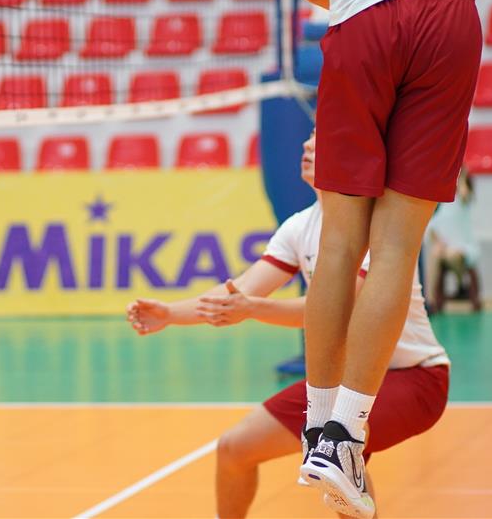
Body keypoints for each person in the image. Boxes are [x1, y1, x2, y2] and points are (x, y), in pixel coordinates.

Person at [263, 0, 485, 515]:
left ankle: (318, 429)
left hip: (360, 25)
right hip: (447, 12)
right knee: (397, 245)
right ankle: (345, 439)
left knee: (339, 235)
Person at [126, 132, 449, 518]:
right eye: (307, 141)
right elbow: (240, 291)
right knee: (234, 449)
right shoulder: (300, 226)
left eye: (319, 142)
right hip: (340, 382)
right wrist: (170, 314)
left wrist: (252, 308)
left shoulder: (376, 224)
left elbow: (335, 312)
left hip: (414, 377)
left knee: (337, 453)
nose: (306, 147)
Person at [424, 169, 480, 313]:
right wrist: (438, 241)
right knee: (435, 252)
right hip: (445, 248)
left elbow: (464, 191)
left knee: (451, 254)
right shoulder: (440, 205)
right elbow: (432, 228)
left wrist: (460, 172)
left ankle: (461, 285)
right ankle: (430, 300)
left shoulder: (462, 200)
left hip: (464, 248)